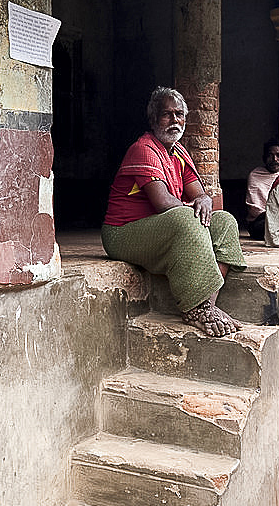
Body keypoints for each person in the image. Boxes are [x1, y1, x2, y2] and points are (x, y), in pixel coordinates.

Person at [102, 87, 247, 337]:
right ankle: (196, 308)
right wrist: (196, 205)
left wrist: (202, 199)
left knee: (224, 222)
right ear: (153, 119)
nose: (174, 121)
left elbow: (199, 194)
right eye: (166, 114)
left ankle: (206, 305)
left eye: (179, 114)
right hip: (122, 233)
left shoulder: (179, 152)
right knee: (187, 218)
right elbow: (164, 203)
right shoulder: (143, 148)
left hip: (159, 227)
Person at [244, 139, 279, 239]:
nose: (275, 159)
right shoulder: (255, 175)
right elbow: (254, 209)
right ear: (264, 158)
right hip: (259, 221)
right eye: (270, 155)